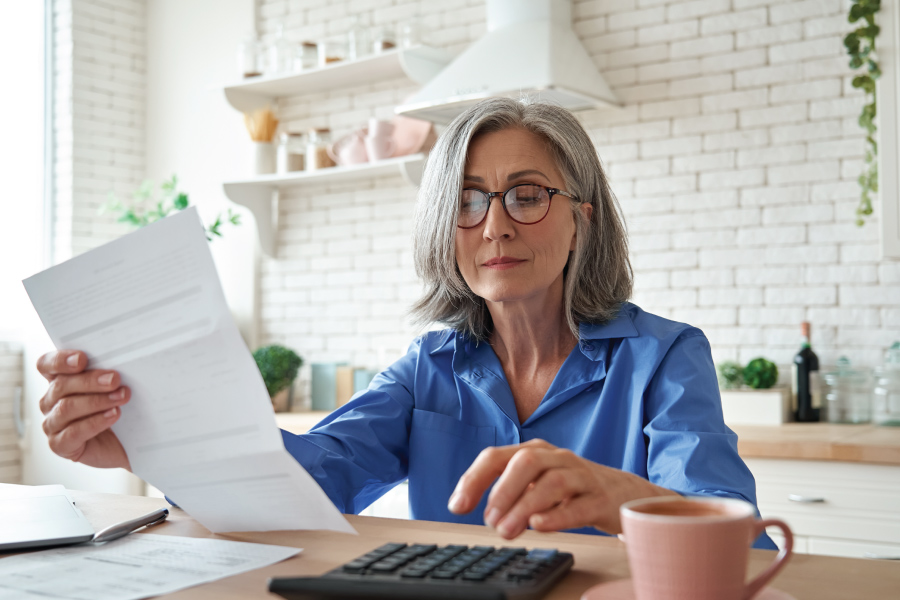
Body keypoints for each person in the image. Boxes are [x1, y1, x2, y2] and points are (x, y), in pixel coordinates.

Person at [36, 98, 774, 547]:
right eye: (467, 199)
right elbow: (311, 479)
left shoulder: (665, 357)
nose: (494, 226)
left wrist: (618, 497)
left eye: (525, 195)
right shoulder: (430, 367)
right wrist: (147, 441)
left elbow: (734, 529)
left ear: (580, 220)